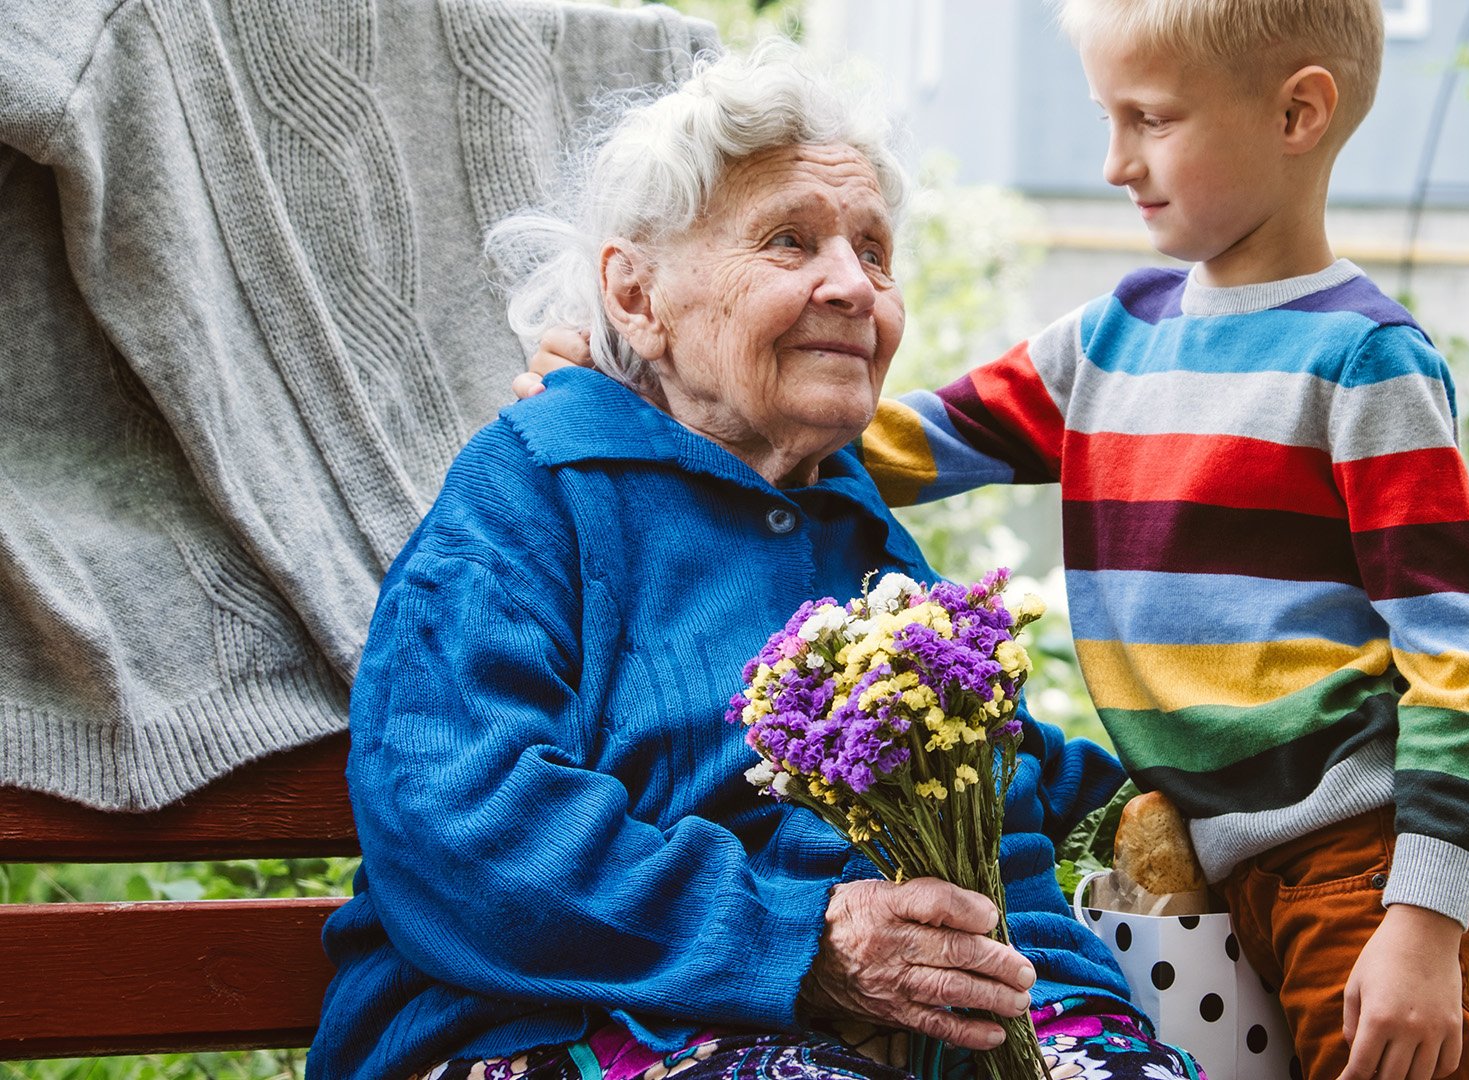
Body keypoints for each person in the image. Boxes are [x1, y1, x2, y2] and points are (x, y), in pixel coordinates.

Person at [524, 3, 1469, 1079]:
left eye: (1149, 119)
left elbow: (1463, 660)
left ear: (1298, 113)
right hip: (1219, 855)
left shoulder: (1367, 365)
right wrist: (643, 402)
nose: (1112, 162)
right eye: (1108, 117)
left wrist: (1425, 917)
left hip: (1358, 859)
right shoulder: (1109, 341)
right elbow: (878, 442)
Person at [308, 44, 1203, 1080]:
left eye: (874, 251)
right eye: (790, 241)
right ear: (638, 298)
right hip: (570, 1026)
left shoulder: (863, 540)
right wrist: (800, 939)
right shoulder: (536, 491)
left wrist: (1079, 1007)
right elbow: (459, 821)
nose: (853, 286)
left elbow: (998, 808)